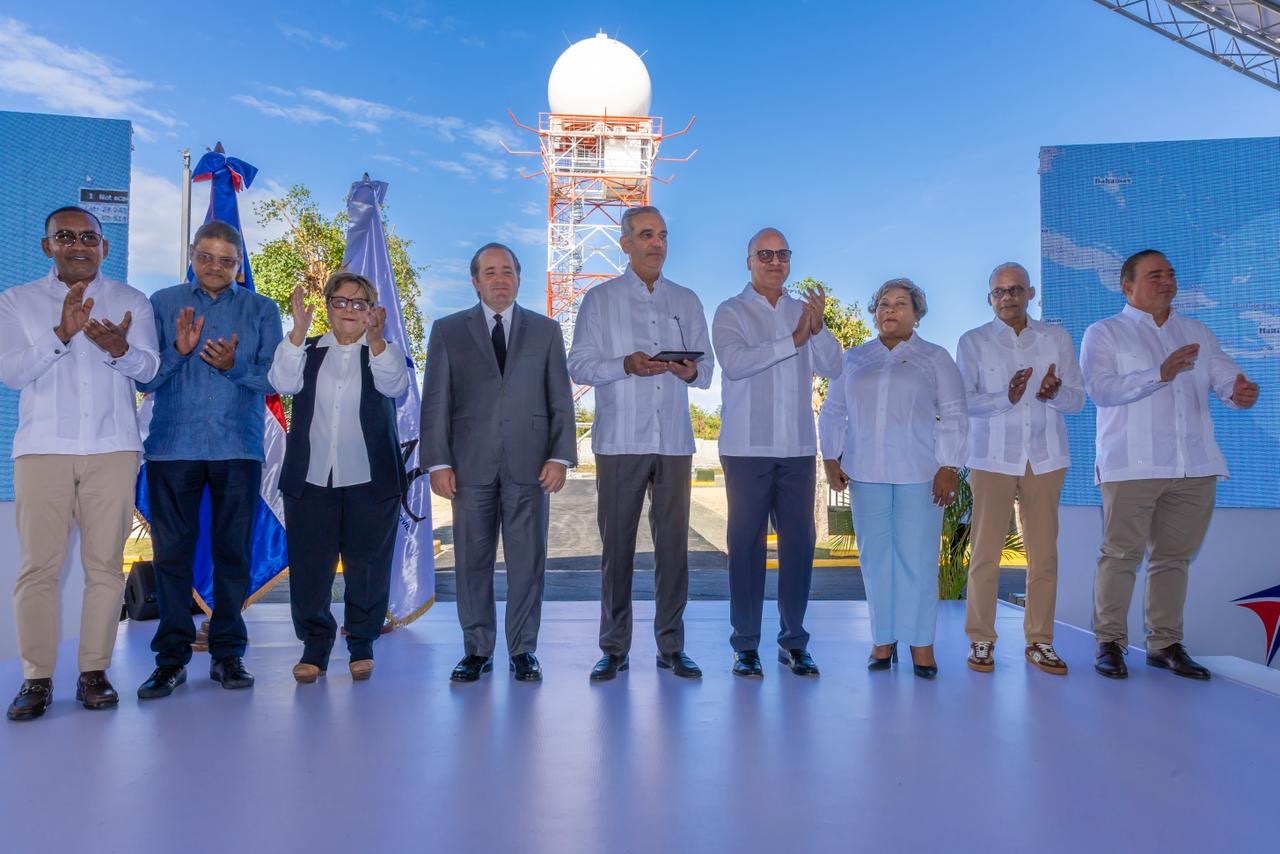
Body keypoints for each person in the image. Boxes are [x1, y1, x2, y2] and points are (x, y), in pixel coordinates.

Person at [1, 207, 159, 720]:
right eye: (65, 236)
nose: (78, 245)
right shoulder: (16, 301)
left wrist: (120, 349)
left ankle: (94, 672)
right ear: (47, 246)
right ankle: (36, 679)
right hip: (43, 448)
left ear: (104, 247)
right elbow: (11, 372)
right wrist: (60, 335)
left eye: (89, 237)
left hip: (113, 448)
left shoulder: (131, 301)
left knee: (105, 568)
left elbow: (150, 369)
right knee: (38, 569)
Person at [1081, 249, 1259, 680]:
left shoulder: (1196, 331)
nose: (1167, 281)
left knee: (1173, 559)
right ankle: (1110, 643)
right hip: (1131, 465)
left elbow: (1225, 376)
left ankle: (1164, 644)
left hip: (1193, 465)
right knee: (1120, 556)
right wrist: (1158, 373)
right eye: (1155, 275)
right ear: (1127, 286)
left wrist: (1238, 391)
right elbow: (1101, 390)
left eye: (1170, 274)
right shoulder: (1104, 332)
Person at [135, 220, 283, 699]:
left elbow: (276, 379)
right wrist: (179, 353)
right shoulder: (161, 303)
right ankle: (170, 659)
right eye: (206, 256)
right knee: (171, 556)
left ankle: (227, 653)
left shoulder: (262, 309)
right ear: (191, 254)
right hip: (172, 448)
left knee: (232, 554)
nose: (214, 267)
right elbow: (144, 378)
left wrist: (233, 367)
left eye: (226, 260)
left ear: (239, 265)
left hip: (237, 448)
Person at [567, 206, 715, 682]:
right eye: (647, 235)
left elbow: (707, 371)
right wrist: (624, 365)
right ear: (625, 243)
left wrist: (688, 370)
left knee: (674, 551)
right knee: (618, 550)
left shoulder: (687, 299)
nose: (657, 244)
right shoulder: (599, 300)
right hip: (619, 441)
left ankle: (671, 647)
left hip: (673, 441)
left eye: (663, 235)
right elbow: (579, 365)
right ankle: (614, 648)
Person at [422, 242, 576, 683]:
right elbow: (436, 400)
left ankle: (523, 650)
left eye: (507, 271)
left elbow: (560, 398)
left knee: (528, 563)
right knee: (471, 562)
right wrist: (438, 462)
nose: (499, 279)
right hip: (469, 467)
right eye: (490, 272)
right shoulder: (447, 330)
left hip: (532, 466)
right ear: (475, 281)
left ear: (518, 278)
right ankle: (477, 650)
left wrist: (560, 455)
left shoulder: (546, 331)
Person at [819, 278, 966, 679]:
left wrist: (949, 465)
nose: (890, 310)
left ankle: (921, 644)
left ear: (917, 314)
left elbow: (955, 412)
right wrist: (830, 456)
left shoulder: (934, 358)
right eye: (884, 303)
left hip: (920, 474)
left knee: (917, 560)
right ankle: (882, 640)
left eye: (901, 304)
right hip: (865, 473)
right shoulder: (854, 359)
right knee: (875, 560)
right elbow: (833, 410)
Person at [711, 228, 841, 678]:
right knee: (745, 547)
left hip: (798, 448)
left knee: (799, 546)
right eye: (764, 254)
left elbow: (834, 366)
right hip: (746, 448)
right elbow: (735, 364)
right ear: (748, 261)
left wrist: (816, 330)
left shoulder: (802, 312)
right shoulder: (730, 311)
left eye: (782, 254)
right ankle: (745, 645)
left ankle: (794, 642)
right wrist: (793, 340)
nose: (774, 262)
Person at [269, 273, 410, 683]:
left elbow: (395, 385)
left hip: (371, 479)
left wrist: (377, 341)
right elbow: (281, 382)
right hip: (311, 478)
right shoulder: (306, 349)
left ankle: (361, 644)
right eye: (341, 301)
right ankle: (314, 647)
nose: (349, 309)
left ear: (372, 311)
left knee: (367, 566)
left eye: (359, 302)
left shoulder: (383, 351)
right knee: (310, 566)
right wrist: (297, 331)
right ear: (328, 305)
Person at [956, 262, 1083, 675]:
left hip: (1045, 457)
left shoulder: (1056, 338)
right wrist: (1005, 397)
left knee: (1044, 555)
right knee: (985, 554)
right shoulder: (973, 341)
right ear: (989, 299)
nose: (1007, 297)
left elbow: (1078, 399)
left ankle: (1040, 641)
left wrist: (1055, 391)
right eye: (999, 291)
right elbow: (963, 401)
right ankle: (981, 639)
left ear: (1030, 294)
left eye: (1015, 289)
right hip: (992, 457)